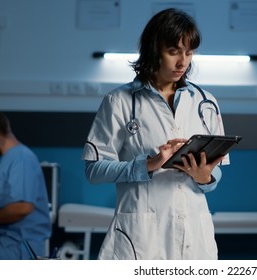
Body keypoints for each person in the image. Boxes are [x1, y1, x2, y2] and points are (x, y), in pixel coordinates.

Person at [82, 8, 229, 260]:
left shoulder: (206, 102)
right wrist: (148, 164)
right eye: (173, 52)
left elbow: (215, 172)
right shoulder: (119, 101)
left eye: (189, 52)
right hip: (141, 237)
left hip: (194, 237)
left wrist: (205, 177)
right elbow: (93, 170)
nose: (183, 62)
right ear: (153, 50)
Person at [0, 111, 51, 259]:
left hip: (19, 246)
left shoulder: (21, 158)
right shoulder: (11, 159)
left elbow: (23, 207)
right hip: (3, 240)